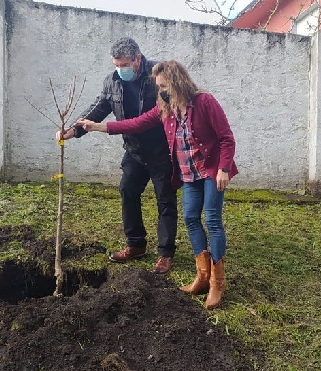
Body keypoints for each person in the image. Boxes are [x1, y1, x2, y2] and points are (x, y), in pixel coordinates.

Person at [77, 60, 238, 309]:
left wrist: (224, 169)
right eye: (158, 86)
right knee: (190, 218)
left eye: (163, 85)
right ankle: (202, 277)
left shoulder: (204, 102)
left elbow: (226, 138)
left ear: (176, 82)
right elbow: (136, 123)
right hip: (187, 174)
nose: (160, 90)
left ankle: (217, 282)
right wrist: (98, 126)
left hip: (211, 171)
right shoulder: (166, 108)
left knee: (213, 220)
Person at [55, 37, 178, 275]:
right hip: (134, 150)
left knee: (165, 199)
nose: (119, 69)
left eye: (123, 64)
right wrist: (72, 130)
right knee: (127, 191)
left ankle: (165, 253)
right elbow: (98, 108)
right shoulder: (112, 82)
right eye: (116, 64)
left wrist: (106, 128)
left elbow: (153, 118)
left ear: (137, 59)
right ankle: (136, 244)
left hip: (162, 150)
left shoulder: (159, 77)